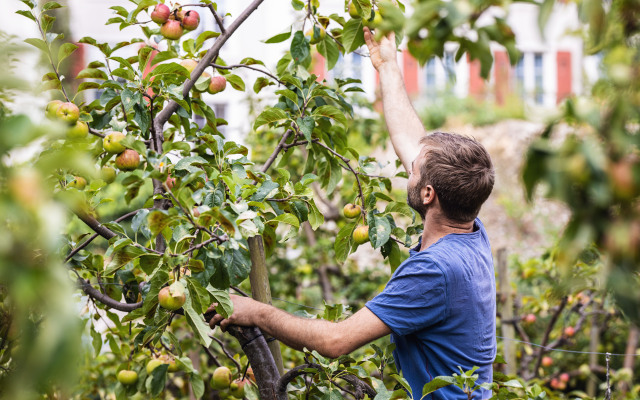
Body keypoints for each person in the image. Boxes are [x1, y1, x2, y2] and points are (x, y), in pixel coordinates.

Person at [208, 27, 497, 400]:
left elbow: (335, 340)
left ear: (428, 195)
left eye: (412, 171)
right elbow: (414, 144)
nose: (406, 167)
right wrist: (388, 67)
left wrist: (256, 311)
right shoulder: (471, 230)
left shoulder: (435, 271)